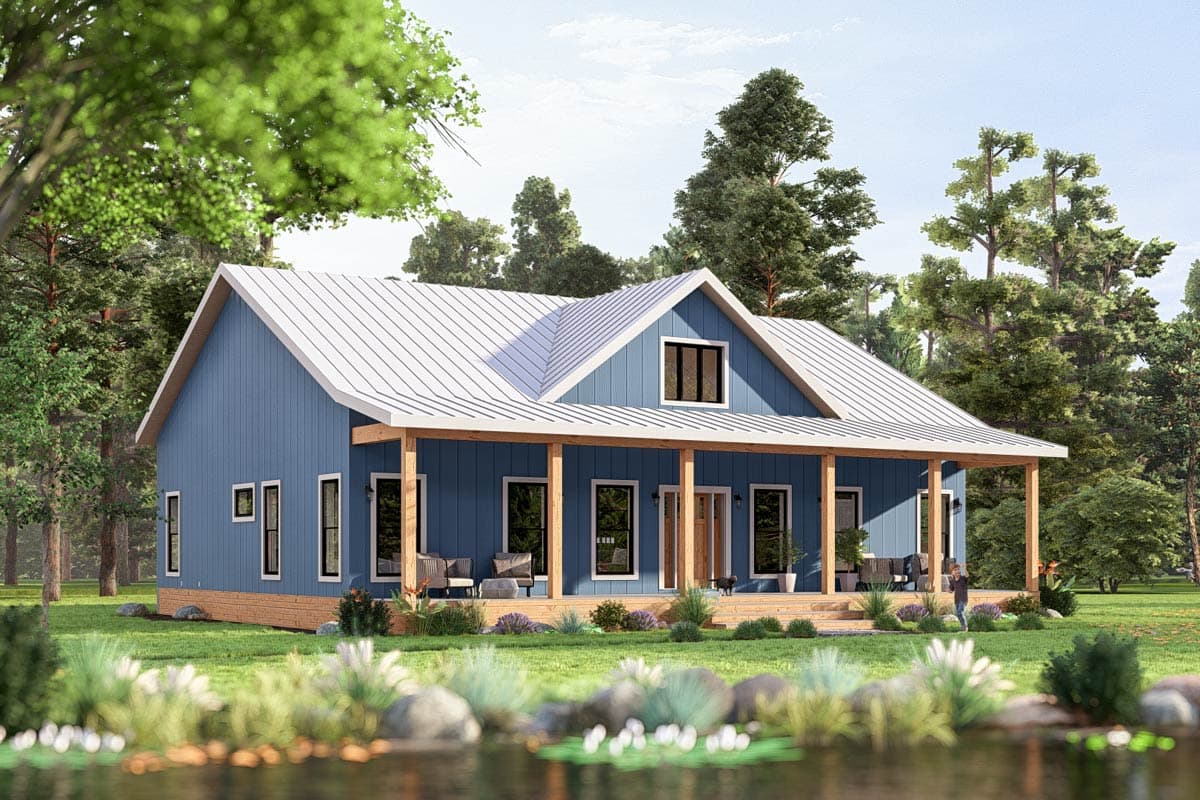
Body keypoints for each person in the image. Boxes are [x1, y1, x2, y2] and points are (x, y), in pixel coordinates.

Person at [948, 563, 969, 631]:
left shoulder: (963, 578)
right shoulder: (952, 581)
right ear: (952, 572)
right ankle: (962, 626)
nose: (957, 571)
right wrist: (948, 590)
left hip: (963, 599)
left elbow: (967, 575)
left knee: (960, 612)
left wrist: (965, 568)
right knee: (958, 614)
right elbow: (951, 590)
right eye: (955, 570)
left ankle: (965, 627)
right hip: (956, 600)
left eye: (958, 569)